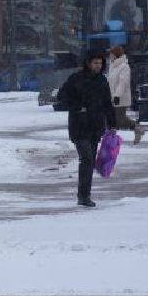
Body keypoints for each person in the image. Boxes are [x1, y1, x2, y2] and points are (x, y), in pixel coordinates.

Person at [53, 50, 115, 207]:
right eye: (95, 63)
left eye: (100, 63)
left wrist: (112, 124)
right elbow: (61, 96)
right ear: (88, 63)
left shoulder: (102, 81)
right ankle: (83, 196)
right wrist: (77, 107)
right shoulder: (76, 79)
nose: (98, 66)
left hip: (95, 127)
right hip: (79, 127)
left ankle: (85, 195)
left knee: (90, 161)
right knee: (86, 158)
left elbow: (107, 104)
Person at [106, 44, 144, 145]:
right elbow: (110, 81)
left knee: (120, 120)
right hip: (111, 97)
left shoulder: (124, 67)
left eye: (111, 54)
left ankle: (137, 127)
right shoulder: (112, 66)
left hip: (120, 98)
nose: (109, 56)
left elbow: (123, 82)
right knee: (110, 118)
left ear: (116, 55)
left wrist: (117, 95)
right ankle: (110, 139)